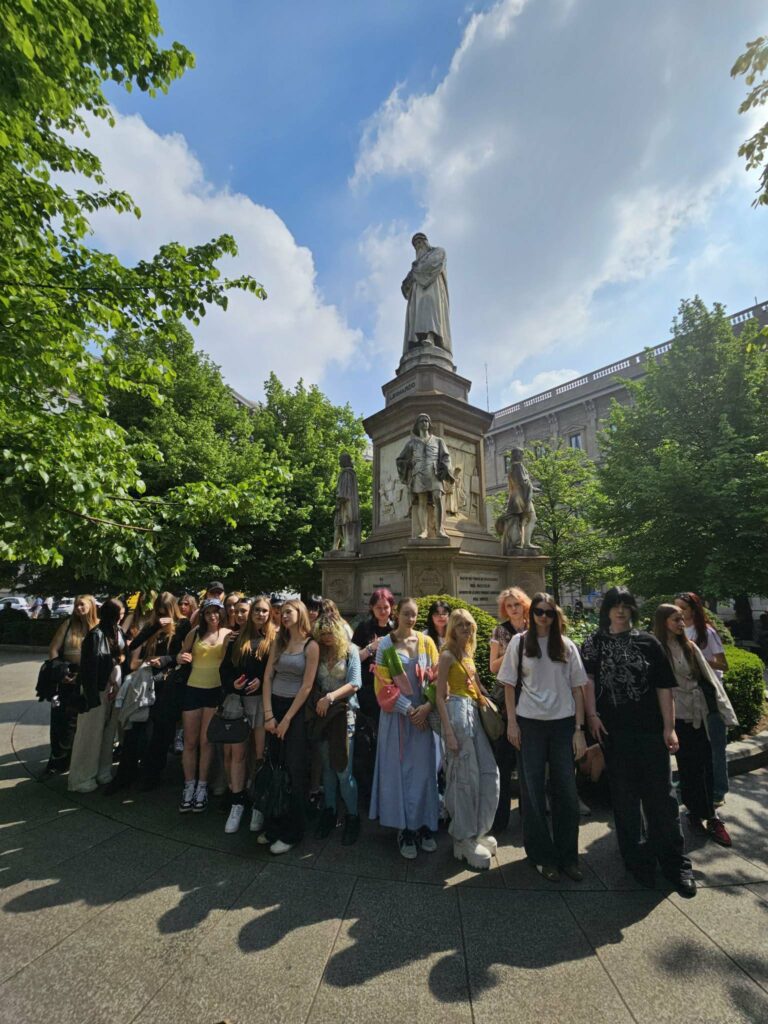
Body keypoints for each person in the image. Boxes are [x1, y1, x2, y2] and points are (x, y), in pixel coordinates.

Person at [581, 586, 697, 898]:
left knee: (662, 798)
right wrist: (591, 716)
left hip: (650, 731)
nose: (620, 611)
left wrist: (669, 728)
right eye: (614, 605)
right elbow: (587, 682)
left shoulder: (648, 642)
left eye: (625, 605)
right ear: (606, 609)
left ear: (632, 608)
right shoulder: (593, 643)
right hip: (614, 733)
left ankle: (674, 862)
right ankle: (636, 859)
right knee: (625, 799)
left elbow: (663, 687)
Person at [498, 593, 587, 881]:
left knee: (567, 793)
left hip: (563, 725)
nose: (544, 617)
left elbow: (578, 688)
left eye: (549, 612)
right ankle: (541, 856)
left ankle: (568, 856)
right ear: (532, 613)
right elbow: (509, 684)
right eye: (539, 612)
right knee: (533, 793)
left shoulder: (567, 645)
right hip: (530, 724)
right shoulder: (519, 642)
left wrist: (579, 730)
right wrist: (512, 723)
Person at [653, 604, 736, 847]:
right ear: (663, 622)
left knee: (706, 765)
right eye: (675, 619)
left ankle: (711, 815)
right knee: (688, 767)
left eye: (682, 619)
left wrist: (724, 712)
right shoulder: (656, 650)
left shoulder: (690, 647)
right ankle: (695, 811)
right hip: (675, 718)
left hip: (699, 714)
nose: (681, 624)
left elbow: (710, 681)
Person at [370, 597, 440, 859]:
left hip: (423, 717)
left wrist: (427, 707)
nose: (411, 619)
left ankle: (424, 824)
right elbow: (382, 686)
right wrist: (409, 710)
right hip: (397, 718)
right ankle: (405, 829)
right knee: (399, 773)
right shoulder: (386, 645)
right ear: (397, 614)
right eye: (406, 614)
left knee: (424, 772)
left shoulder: (426, 642)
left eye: (414, 615)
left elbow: (437, 676)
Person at [436, 609, 500, 870]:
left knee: (488, 773)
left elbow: (477, 688)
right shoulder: (447, 655)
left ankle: (478, 829)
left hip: (473, 713)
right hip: (457, 715)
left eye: (469, 624)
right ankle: (462, 838)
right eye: (460, 624)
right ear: (452, 628)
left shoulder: (467, 654)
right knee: (464, 778)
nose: (466, 628)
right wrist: (449, 732)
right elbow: (440, 696)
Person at [105, 592, 186, 794]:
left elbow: (185, 656)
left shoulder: (183, 625)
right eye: (159, 612)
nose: (162, 616)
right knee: (135, 730)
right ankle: (125, 775)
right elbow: (134, 644)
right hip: (147, 682)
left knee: (160, 734)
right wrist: (155, 627)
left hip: (168, 684)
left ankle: (151, 775)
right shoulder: (153, 625)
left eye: (165, 612)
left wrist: (165, 660)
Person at [261, 599, 319, 854]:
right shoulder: (279, 642)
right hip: (274, 706)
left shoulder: (311, 645)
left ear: (300, 613)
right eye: (281, 612)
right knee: (275, 766)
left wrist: (286, 720)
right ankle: (274, 821)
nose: (283, 616)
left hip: (295, 712)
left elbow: (307, 686)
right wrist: (268, 714)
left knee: (294, 769)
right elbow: (267, 677)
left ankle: (293, 830)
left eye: (288, 612)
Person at [219, 595, 273, 834]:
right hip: (238, 702)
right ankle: (237, 802)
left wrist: (261, 680)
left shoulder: (273, 639)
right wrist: (233, 684)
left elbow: (274, 670)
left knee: (260, 755)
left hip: (260, 702)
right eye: (257, 610)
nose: (260, 614)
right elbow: (225, 669)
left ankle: (258, 803)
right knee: (238, 754)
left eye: (264, 610)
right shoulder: (237, 638)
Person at [674, 592, 731, 806]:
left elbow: (723, 664)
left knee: (716, 744)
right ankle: (691, 785)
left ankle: (719, 790)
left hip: (708, 694)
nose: (680, 613)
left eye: (684, 608)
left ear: (694, 609)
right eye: (676, 608)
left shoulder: (706, 632)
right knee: (691, 746)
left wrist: (700, 661)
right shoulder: (677, 632)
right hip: (685, 696)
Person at [312, 611, 363, 846]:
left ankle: (352, 816)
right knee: (327, 769)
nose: (326, 637)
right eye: (322, 633)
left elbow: (355, 683)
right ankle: (330, 811)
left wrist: (330, 697)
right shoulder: (319, 652)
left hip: (344, 714)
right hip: (323, 715)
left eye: (330, 633)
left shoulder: (350, 651)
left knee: (343, 769)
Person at [175, 598, 231, 813]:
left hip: (215, 690)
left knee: (206, 741)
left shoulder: (228, 634)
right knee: (190, 741)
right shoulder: (195, 632)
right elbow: (181, 654)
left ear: (222, 614)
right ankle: (189, 785)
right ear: (203, 615)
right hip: (193, 689)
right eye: (208, 613)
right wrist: (181, 657)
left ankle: (202, 786)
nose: (213, 616)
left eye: (216, 612)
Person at [68, 598, 125, 793]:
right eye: (120, 614)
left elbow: (121, 654)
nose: (122, 617)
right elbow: (90, 668)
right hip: (96, 690)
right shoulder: (95, 636)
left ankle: (103, 770)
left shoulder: (117, 631)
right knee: (90, 734)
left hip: (113, 688)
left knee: (108, 732)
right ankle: (82, 777)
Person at [489, 587, 531, 831]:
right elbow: (493, 667)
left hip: (531, 697)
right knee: (503, 760)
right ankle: (500, 818)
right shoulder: (501, 630)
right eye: (509, 606)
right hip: (507, 699)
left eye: (517, 604)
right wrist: (513, 649)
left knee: (528, 762)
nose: (514, 609)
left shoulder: (534, 627)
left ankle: (529, 814)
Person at [45, 595, 99, 774]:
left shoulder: (98, 627)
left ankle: (76, 758)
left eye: (82, 605)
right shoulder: (68, 624)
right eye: (76, 605)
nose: (78, 608)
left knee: (80, 722)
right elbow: (53, 648)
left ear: (91, 606)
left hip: (88, 677)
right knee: (62, 720)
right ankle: (59, 758)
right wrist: (60, 670)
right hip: (67, 675)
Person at [396, 413, 454, 539]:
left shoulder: (438, 441)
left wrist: (445, 469)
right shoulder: (411, 443)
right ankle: (424, 531)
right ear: (417, 425)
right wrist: (409, 463)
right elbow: (400, 460)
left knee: (437, 498)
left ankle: (439, 530)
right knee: (422, 502)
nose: (424, 423)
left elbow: (446, 457)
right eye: (422, 421)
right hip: (419, 474)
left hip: (434, 473)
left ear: (429, 424)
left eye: (426, 421)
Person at [401, 232, 452, 355]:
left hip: (432, 289)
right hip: (416, 294)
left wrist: (415, 272)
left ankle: (431, 337)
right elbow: (404, 287)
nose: (418, 246)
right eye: (416, 245)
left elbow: (431, 265)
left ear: (426, 242)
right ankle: (417, 341)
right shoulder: (415, 266)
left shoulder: (438, 251)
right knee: (416, 315)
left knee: (430, 310)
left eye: (420, 242)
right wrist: (412, 276)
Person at [352, 588, 395, 726]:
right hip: (368, 686)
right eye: (378, 607)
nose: (382, 611)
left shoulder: (396, 629)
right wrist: (372, 647)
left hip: (392, 685)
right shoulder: (363, 628)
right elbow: (354, 659)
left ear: (391, 607)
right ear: (372, 607)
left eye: (386, 607)